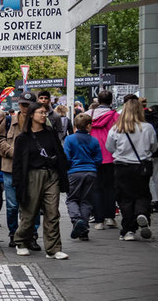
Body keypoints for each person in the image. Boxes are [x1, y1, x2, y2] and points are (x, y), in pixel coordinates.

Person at [12, 105, 70, 259]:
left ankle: (53, 248)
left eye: (45, 113)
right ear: (31, 115)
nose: (44, 115)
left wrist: (61, 166)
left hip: (52, 175)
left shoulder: (50, 133)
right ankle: (21, 241)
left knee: (53, 212)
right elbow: (17, 164)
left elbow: (59, 151)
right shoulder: (23, 138)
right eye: (41, 113)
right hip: (31, 176)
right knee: (29, 213)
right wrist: (18, 184)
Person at [104, 98, 157, 241]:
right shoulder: (147, 127)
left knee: (125, 198)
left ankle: (128, 231)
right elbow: (154, 147)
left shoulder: (116, 128)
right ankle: (142, 214)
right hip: (142, 167)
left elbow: (109, 147)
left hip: (122, 167)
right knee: (143, 195)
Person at [0, 91, 38, 249]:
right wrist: (12, 151)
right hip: (10, 168)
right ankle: (14, 233)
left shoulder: (39, 121)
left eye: (28, 105)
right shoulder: (8, 120)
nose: (25, 108)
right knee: (12, 205)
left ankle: (32, 235)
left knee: (33, 204)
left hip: (33, 169)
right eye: (22, 104)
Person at [63, 112, 101, 242]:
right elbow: (99, 159)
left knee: (72, 199)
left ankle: (76, 219)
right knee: (86, 201)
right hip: (90, 172)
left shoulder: (70, 139)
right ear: (89, 126)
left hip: (74, 172)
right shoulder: (94, 140)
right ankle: (84, 229)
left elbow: (66, 158)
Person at [89, 90, 120, 230]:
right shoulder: (115, 116)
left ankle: (98, 220)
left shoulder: (89, 115)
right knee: (110, 188)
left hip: (93, 156)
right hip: (111, 156)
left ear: (98, 101)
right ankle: (110, 217)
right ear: (111, 101)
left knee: (96, 188)